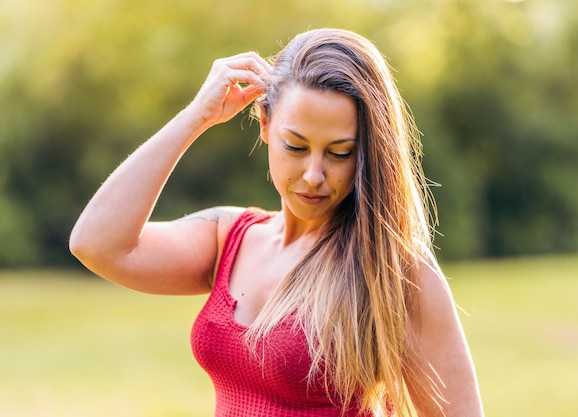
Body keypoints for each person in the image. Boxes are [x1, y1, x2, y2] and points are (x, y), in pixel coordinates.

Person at [70, 28, 484, 417]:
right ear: (265, 124)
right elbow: (97, 243)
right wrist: (196, 116)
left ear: (367, 153)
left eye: (339, 152)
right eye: (296, 146)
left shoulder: (395, 270)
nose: (314, 175)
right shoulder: (230, 239)